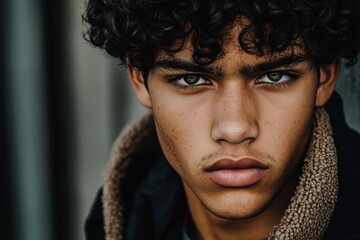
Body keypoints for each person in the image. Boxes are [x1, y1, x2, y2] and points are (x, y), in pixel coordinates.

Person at [82, 0, 360, 239]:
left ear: (324, 76)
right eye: (191, 79)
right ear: (139, 79)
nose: (235, 129)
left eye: (274, 76)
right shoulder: (123, 219)